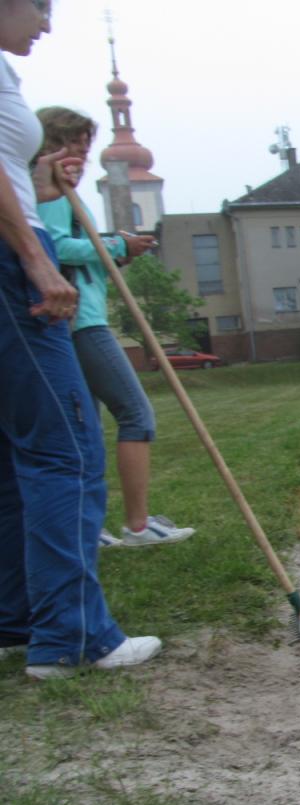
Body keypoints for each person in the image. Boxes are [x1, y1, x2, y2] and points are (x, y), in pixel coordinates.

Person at [0, 0, 161, 677]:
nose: (45, 22)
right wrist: (37, 262)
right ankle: (72, 636)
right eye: (40, 6)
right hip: (14, 267)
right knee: (64, 449)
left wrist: (40, 182)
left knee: (19, 453)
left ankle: (19, 619)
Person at [36, 106, 194, 549]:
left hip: (77, 320)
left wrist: (116, 251)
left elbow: (74, 253)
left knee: (86, 430)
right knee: (135, 414)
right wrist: (116, 245)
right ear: (51, 145)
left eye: (86, 148)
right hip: (82, 324)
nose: (81, 156)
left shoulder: (58, 193)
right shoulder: (51, 194)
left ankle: (89, 529)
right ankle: (137, 526)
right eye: (74, 145)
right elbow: (56, 249)